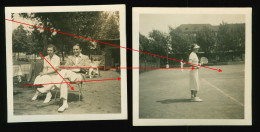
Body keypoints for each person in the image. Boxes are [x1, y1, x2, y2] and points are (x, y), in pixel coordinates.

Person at [32, 43, 91, 112]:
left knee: (64, 71)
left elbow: (87, 68)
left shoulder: (85, 57)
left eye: (77, 49)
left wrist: (77, 66)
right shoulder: (70, 57)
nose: (75, 51)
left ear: (80, 49)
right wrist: (71, 68)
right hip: (68, 75)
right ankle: (64, 103)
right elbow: (66, 67)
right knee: (63, 81)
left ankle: (48, 87)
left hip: (79, 75)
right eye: (74, 49)